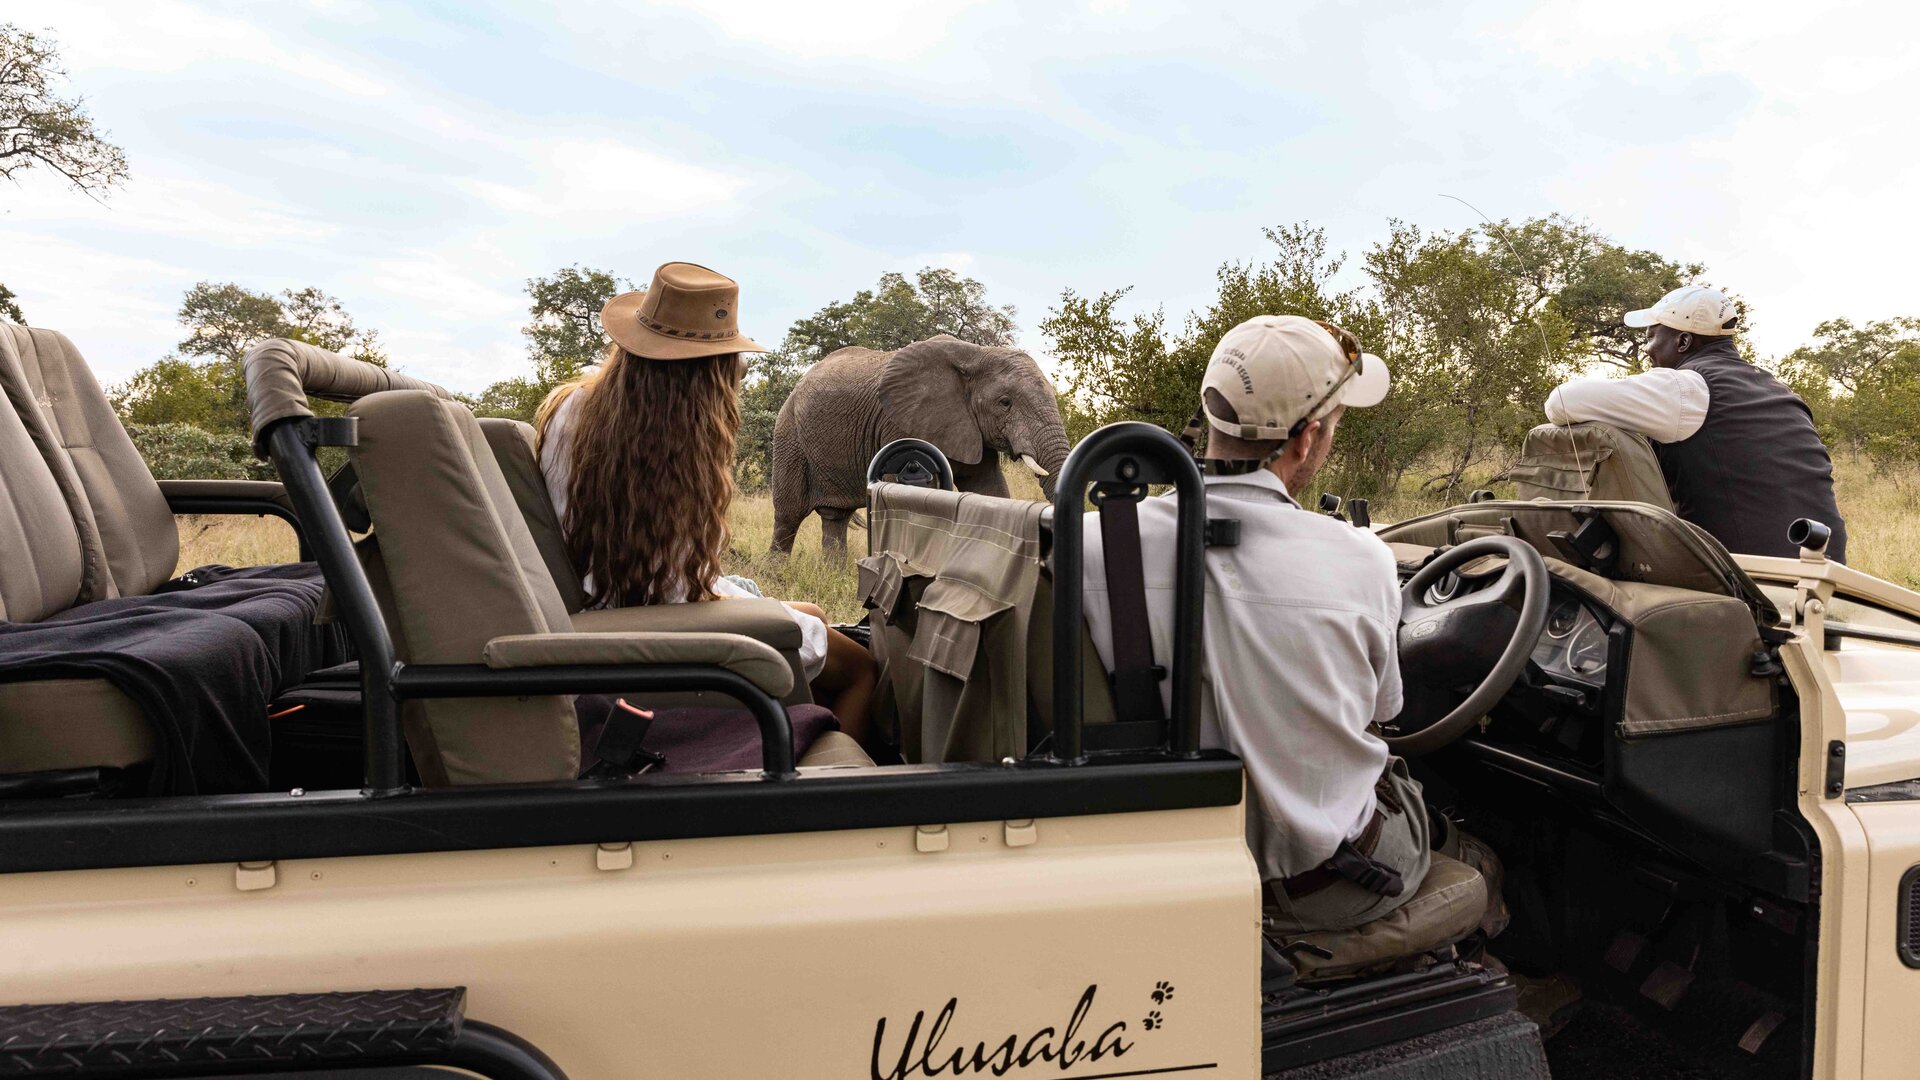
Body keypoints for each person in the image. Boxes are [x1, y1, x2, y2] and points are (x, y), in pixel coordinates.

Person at [1080, 315, 1432, 934]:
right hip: (1306, 886)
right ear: (1308, 438)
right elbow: (1383, 713)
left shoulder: (1088, 544)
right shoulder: (1362, 560)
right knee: (1454, 831)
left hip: (1158, 868)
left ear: (1212, 413)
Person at [534, 261, 878, 743]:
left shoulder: (568, 410)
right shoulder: (680, 445)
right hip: (665, 626)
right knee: (861, 668)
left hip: (599, 610)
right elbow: (681, 587)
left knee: (816, 615)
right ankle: (835, 797)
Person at [1544, 285, 1848, 561]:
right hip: (1824, 566)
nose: (1647, 348)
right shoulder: (1777, 390)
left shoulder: (1686, 389)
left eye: (1651, 337)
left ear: (1683, 341)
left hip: (1752, 577)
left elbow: (1560, 402)